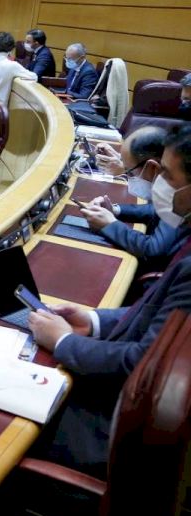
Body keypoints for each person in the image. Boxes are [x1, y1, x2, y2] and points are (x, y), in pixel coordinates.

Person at [28, 124, 191, 478]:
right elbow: (155, 314)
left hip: (109, 427)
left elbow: (142, 362)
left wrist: (64, 342)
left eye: (167, 174)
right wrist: (93, 320)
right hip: (124, 397)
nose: (158, 182)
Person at [81, 127, 184, 270]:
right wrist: (115, 210)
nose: (127, 176)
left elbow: (153, 251)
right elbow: (156, 210)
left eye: (129, 172)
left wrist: (109, 224)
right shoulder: (176, 183)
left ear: (152, 168)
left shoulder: (181, 192)